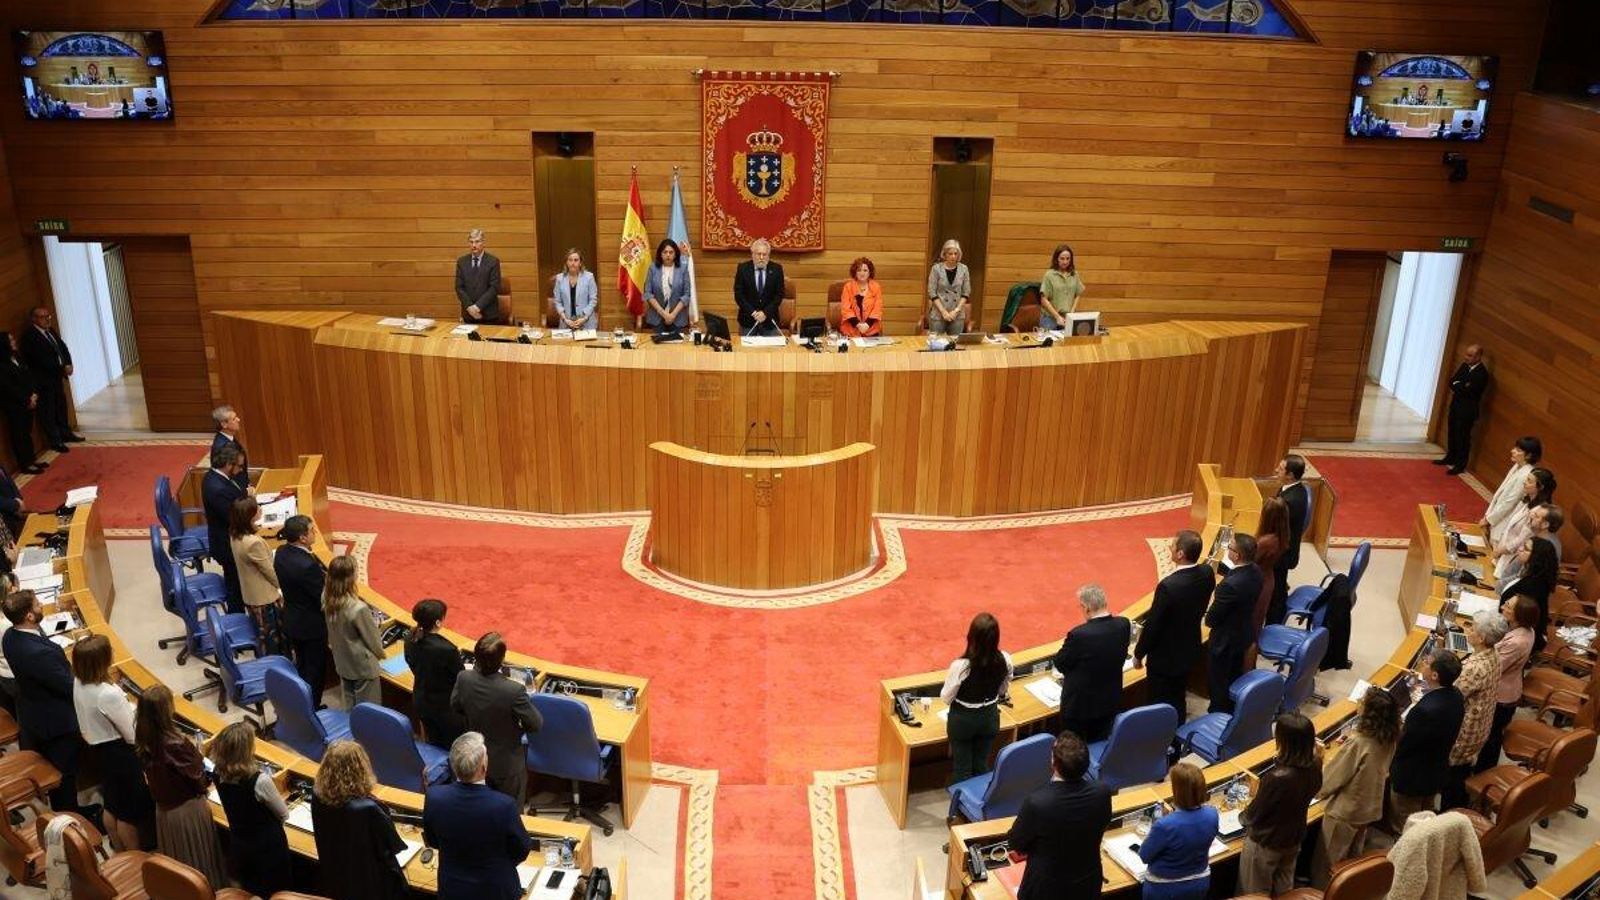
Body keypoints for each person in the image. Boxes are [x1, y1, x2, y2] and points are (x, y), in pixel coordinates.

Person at [135, 684, 228, 885]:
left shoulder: (144, 735)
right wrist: (198, 756)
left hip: (165, 810)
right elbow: (197, 778)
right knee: (198, 861)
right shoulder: (175, 743)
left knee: (180, 861)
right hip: (187, 811)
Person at [423, 732, 534, 900]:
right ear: (484, 768)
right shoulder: (504, 805)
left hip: (452, 888)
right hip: (496, 891)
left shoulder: (434, 797)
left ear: (453, 766)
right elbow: (522, 850)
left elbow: (432, 840)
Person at [1005, 730, 1113, 899]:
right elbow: (1103, 824)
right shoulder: (1103, 792)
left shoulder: (1037, 803)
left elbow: (1016, 843)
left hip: (1046, 889)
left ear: (1053, 764)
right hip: (1087, 883)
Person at [3, 589, 83, 813]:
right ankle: (71, 818)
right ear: (29, 615)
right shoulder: (39, 654)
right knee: (65, 774)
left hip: (33, 710)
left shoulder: (11, 636)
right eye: (38, 605)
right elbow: (68, 686)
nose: (41, 607)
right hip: (56, 721)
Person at [71, 634, 152, 851]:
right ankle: (135, 859)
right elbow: (132, 735)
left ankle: (118, 849)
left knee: (113, 803)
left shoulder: (79, 681)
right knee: (128, 813)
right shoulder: (107, 694)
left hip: (99, 750)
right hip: (120, 755)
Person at [1312, 688, 1400, 886]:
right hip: (1369, 807)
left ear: (1370, 713)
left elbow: (1332, 779)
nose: (1359, 703)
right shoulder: (1389, 736)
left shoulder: (1360, 742)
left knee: (1328, 862)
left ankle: (1324, 892)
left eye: (1363, 702)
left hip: (1345, 811)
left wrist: (1318, 765)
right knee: (1353, 855)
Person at [311, 740, 409, 900]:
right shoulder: (368, 808)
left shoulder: (318, 794)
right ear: (360, 768)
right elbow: (393, 847)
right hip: (370, 885)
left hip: (336, 878)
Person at [452, 632, 542, 805]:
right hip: (506, 765)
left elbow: (455, 706)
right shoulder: (513, 690)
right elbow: (535, 724)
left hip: (474, 759)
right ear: (501, 659)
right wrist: (517, 727)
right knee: (510, 811)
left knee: (479, 807)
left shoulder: (464, 678)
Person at [1133, 530, 1214, 722]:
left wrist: (1138, 653)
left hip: (1165, 657)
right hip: (1189, 646)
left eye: (1173, 545)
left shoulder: (1169, 586)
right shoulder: (1206, 572)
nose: (1169, 547)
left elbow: (1154, 625)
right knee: (1178, 693)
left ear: (1180, 554)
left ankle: (1160, 739)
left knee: (1158, 701)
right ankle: (1177, 728)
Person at [1238, 713, 1321, 896]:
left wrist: (1241, 816)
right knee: (1285, 890)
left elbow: (1253, 815)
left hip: (1267, 843)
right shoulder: (1315, 764)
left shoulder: (1277, 778)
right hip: (1294, 838)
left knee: (1256, 893)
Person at [207, 721, 292, 898]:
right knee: (275, 892)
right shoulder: (260, 781)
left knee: (252, 889)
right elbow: (284, 814)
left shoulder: (217, 772)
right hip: (268, 849)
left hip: (240, 844)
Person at [1387, 649, 1464, 832]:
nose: (1423, 663)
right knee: (1426, 817)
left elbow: (1404, 745)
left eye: (1427, 662)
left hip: (1411, 778)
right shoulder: (1456, 695)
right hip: (1435, 772)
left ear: (1435, 675)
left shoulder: (1424, 711)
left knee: (1407, 826)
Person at [939, 612, 1013, 785]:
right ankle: (980, 801)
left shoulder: (962, 666)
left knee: (962, 768)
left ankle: (960, 808)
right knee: (981, 763)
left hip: (963, 720)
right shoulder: (1006, 659)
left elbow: (946, 697)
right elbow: (1003, 688)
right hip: (989, 716)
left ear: (971, 637)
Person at [1052, 584, 1130, 743]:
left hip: (1079, 707)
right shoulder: (1123, 625)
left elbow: (1061, 663)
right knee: (1099, 745)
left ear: (1086, 608)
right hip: (1109, 701)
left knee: (1072, 751)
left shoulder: (1079, 635)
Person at [1442, 612, 1503, 810]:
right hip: (1480, 729)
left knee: (1453, 779)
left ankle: (1448, 812)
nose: (1468, 629)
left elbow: (1450, 696)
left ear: (1482, 638)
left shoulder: (1475, 668)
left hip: (1464, 736)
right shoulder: (1494, 655)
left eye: (1472, 628)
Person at [1138, 762, 1217, 899]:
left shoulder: (1165, 825)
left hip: (1165, 890)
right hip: (1199, 884)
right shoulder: (1212, 814)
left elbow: (1144, 856)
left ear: (1177, 790)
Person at [1475, 596, 1537, 773]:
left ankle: (1482, 773)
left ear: (1518, 615)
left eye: (1508, 606)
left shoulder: (1518, 641)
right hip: (1506, 687)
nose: (1503, 607)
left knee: (1490, 738)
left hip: (1501, 696)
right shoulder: (1524, 630)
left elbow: (1494, 667)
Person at [275, 515, 328, 706]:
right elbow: (322, 597)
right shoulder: (307, 566)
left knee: (303, 667)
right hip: (311, 626)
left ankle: (302, 703)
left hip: (292, 619)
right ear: (302, 538)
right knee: (315, 670)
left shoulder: (281, 552)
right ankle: (312, 709)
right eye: (312, 530)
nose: (315, 533)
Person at [1204, 534, 1260, 713]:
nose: (1227, 548)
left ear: (1236, 556)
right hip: (1243, 633)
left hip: (1225, 643)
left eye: (1230, 547)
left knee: (1220, 683)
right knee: (1234, 676)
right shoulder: (1256, 572)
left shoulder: (1229, 586)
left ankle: (1217, 716)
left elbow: (1211, 619)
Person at [18, 307, 84, 452]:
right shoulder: (30, 337)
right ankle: (55, 440)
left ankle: (65, 433)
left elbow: (62, 347)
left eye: (48, 316)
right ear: (34, 319)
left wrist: (68, 363)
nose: (47, 319)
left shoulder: (50, 331)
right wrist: (61, 368)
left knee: (60, 405)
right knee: (48, 410)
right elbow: (40, 360)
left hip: (56, 378)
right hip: (43, 381)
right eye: (43, 317)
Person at [405, 598, 466, 749]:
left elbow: (410, 662)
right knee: (453, 746)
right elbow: (461, 677)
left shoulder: (410, 638)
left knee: (433, 741)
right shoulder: (447, 649)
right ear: (438, 622)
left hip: (421, 700)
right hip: (445, 708)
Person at [324, 555, 382, 707]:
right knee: (369, 710)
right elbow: (374, 641)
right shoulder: (358, 608)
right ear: (351, 577)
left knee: (349, 704)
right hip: (362, 666)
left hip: (342, 660)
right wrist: (381, 655)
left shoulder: (326, 598)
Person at [229, 496, 284, 656]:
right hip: (264, 599)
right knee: (271, 640)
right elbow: (270, 572)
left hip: (250, 595)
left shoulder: (234, 534)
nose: (260, 509)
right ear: (249, 515)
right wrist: (283, 587)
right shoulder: (253, 543)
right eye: (257, 508)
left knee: (263, 637)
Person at [203, 444, 249, 614]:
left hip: (226, 537)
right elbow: (233, 517)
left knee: (235, 581)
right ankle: (236, 618)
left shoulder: (217, 477)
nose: (241, 470)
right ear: (229, 465)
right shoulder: (217, 488)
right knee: (235, 584)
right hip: (226, 545)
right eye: (239, 466)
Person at [1436, 344, 1488, 475]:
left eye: (1470, 356)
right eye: (1466, 354)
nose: (1466, 358)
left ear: (1478, 357)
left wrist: (1460, 385)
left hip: (1467, 411)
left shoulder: (1481, 373)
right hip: (1455, 406)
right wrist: (1460, 385)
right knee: (1452, 432)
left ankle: (1460, 464)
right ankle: (1450, 457)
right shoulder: (1465, 366)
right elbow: (1452, 381)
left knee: (1463, 437)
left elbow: (1468, 391)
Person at [1493, 473, 1557, 579]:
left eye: (1529, 481)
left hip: (1514, 558)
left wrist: (1500, 551)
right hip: (1503, 553)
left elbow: (1522, 539)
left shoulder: (1538, 513)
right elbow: (1510, 526)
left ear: (1540, 487)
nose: (1524, 482)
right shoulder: (1527, 501)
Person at [1479, 436, 1540, 546]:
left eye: (1518, 450)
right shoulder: (1517, 465)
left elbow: (1509, 502)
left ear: (1529, 455)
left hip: (1505, 521)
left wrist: (1489, 520)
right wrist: (1488, 515)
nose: (1513, 451)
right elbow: (1500, 494)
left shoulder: (1526, 474)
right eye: (1515, 448)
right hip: (1497, 515)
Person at [1500, 538, 1557, 655]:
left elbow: (1517, 619)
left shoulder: (1533, 586)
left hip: (1508, 635)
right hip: (1506, 622)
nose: (1520, 549)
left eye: (1526, 549)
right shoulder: (1530, 572)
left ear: (1536, 557)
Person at [0, 333, 44, 474]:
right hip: (15, 405)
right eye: (11, 340)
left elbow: (28, 376)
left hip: (29, 401)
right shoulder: (2, 364)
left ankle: (32, 459)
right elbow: (8, 387)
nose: (14, 342)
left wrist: (34, 394)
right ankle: (25, 464)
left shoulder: (17, 357)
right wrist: (27, 399)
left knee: (27, 432)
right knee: (19, 435)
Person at [1253, 496, 1292, 648]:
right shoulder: (1282, 534)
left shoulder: (1266, 542)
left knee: (1253, 628)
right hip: (1268, 578)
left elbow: (1249, 560)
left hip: (1259, 583)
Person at [1274, 454, 1311, 595]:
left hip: (1282, 554)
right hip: (1284, 546)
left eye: (1281, 468)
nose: (1276, 470)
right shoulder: (1292, 489)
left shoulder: (1290, 501)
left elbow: (1275, 533)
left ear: (1290, 475)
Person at [732, 239, 785, 335]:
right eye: (758, 254)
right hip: (748, 320)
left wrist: (765, 313)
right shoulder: (743, 269)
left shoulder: (777, 269)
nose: (761, 257)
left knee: (771, 350)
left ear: (768, 255)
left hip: (769, 321)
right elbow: (739, 295)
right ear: (752, 254)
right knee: (746, 349)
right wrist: (753, 313)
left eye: (764, 254)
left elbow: (779, 295)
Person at [455, 228, 502, 324]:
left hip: (488, 315)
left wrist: (477, 307)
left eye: (477, 242)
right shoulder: (462, 262)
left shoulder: (493, 261)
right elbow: (459, 287)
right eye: (471, 242)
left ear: (483, 243)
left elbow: (494, 288)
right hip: (468, 314)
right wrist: (470, 308)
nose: (474, 245)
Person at [642, 239, 691, 332]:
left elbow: (687, 295)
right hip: (657, 317)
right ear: (660, 254)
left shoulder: (683, 269)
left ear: (675, 254)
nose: (668, 255)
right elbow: (648, 293)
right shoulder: (653, 268)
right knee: (657, 345)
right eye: (665, 252)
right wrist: (664, 314)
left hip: (678, 317)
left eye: (671, 252)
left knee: (676, 345)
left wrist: (673, 315)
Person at [925, 239, 971, 336]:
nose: (953, 256)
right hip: (938, 313)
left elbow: (966, 292)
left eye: (955, 253)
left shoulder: (964, 269)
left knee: (954, 345)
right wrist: (943, 312)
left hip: (957, 314)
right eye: (950, 254)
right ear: (944, 254)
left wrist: (956, 311)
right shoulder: (936, 269)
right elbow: (931, 292)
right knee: (937, 345)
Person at [1038, 244, 1085, 331]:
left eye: (1068, 259)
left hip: (1067, 318)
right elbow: (1043, 300)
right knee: (1050, 343)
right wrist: (1057, 317)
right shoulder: (1049, 275)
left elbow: (1078, 293)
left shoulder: (1074, 274)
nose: (1065, 262)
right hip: (1050, 319)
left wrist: (1072, 313)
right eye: (1062, 258)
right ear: (1056, 259)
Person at [550, 248, 598, 332]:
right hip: (566, 323)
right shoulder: (559, 278)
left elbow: (593, 300)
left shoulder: (589, 277)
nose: (573, 263)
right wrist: (565, 319)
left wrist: (584, 318)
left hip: (586, 323)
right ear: (566, 262)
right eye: (570, 260)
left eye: (576, 260)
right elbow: (557, 301)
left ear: (580, 263)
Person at [840, 257, 883, 337]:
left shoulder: (876, 287)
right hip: (851, 330)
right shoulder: (848, 287)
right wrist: (858, 325)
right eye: (859, 270)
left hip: (871, 330)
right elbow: (846, 309)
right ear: (855, 272)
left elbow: (877, 309)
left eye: (865, 270)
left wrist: (867, 325)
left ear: (870, 272)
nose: (862, 273)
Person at [210, 405, 250, 491]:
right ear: (224, 424)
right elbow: (228, 475)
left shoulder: (229, 438)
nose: (238, 420)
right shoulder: (221, 447)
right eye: (234, 419)